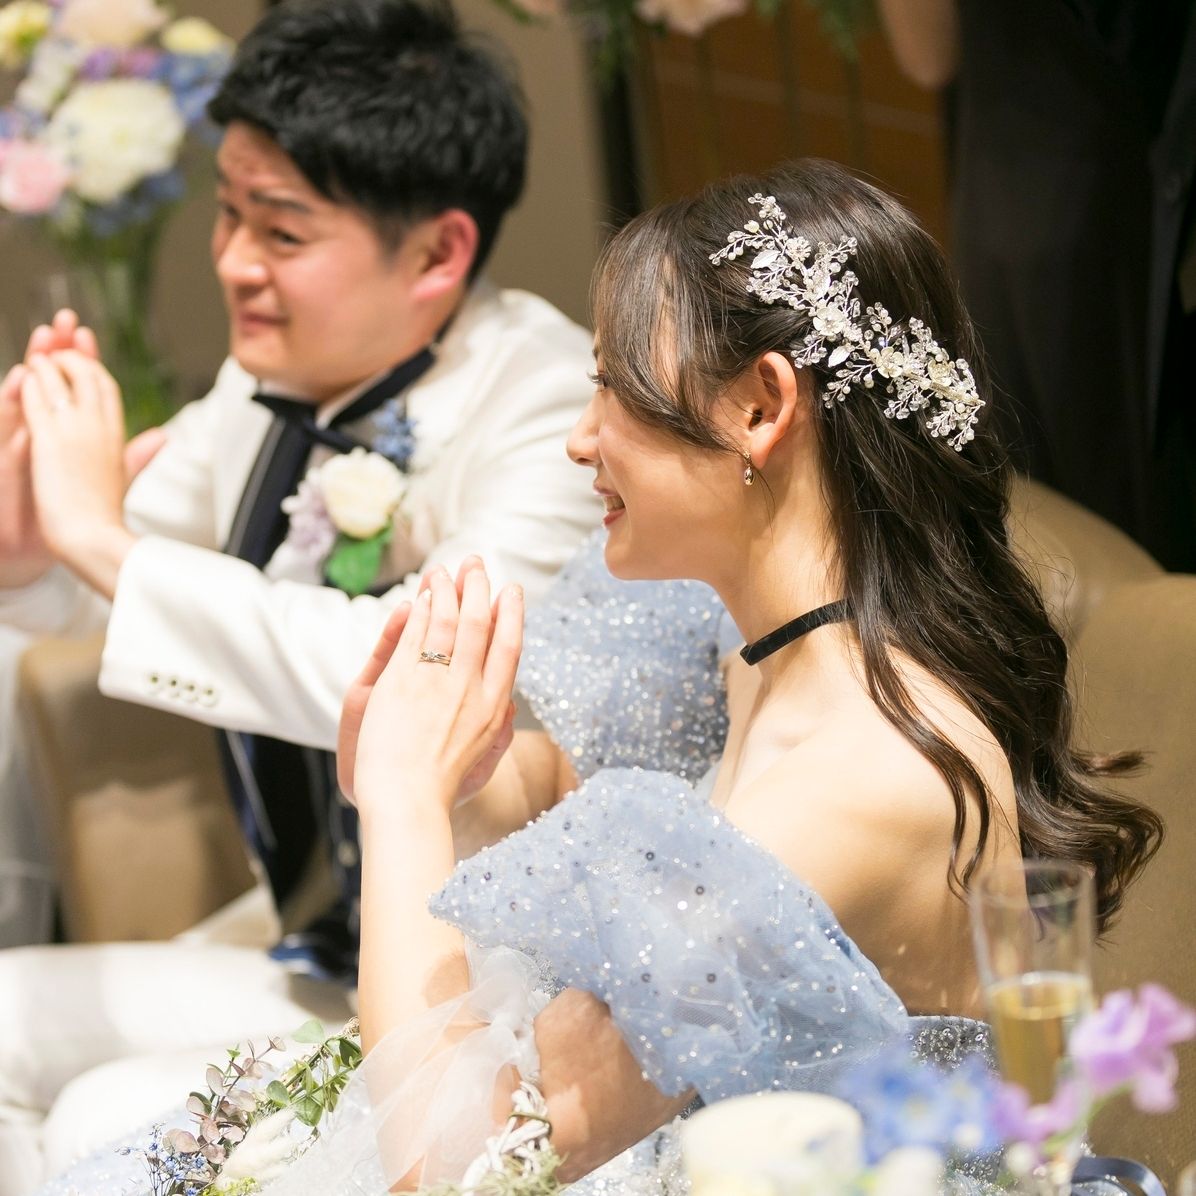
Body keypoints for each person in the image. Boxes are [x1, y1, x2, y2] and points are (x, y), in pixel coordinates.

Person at [37, 159, 1161, 1196]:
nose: (580, 440)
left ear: (761, 406)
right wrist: (458, 775)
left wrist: (400, 804)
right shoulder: (741, 635)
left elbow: (462, 1170)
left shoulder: (863, 772)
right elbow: (567, 810)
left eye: (616, 389)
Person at [0, 0, 598, 1187]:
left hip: (478, 985)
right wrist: (31, 549)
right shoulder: (264, 380)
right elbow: (132, 602)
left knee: (98, 1120)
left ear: (438, 253)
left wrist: (95, 536)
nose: (231, 261)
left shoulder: (547, 408)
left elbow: (415, 689)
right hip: (309, 942)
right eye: (227, 211)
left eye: (280, 229)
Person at [877, 0, 1196, 570]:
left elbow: (927, 56)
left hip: (1084, 197)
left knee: (1097, 505)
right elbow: (927, 57)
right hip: (1034, 190)